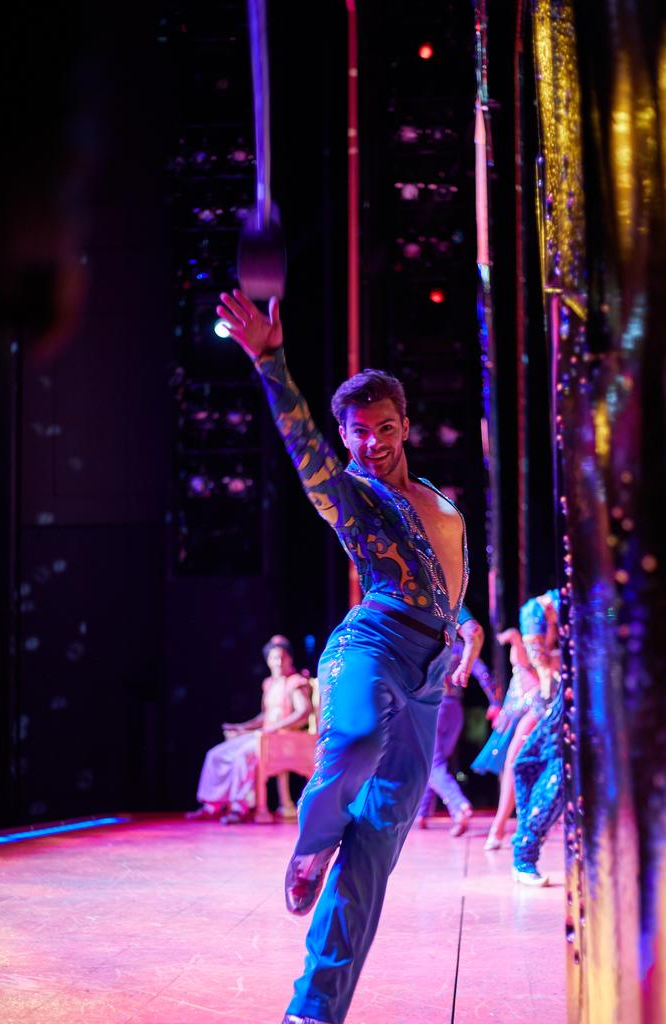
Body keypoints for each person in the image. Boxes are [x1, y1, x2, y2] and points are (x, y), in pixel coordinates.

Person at [216, 289, 476, 1024]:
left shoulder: (432, 496)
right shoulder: (352, 494)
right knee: (355, 738)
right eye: (358, 432)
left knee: (373, 859)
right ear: (346, 434)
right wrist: (271, 360)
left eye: (384, 428)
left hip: (429, 677)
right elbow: (307, 457)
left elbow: (444, 578)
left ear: (403, 425)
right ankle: (310, 844)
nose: (372, 443)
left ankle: (314, 1010)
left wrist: (466, 623)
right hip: (371, 645)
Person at [186, 635, 312, 823]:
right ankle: (211, 806)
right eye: (273, 658)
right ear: (268, 660)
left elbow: (303, 712)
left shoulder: (296, 682)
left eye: (282, 657)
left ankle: (239, 807)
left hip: (283, 738)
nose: (278, 662)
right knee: (216, 754)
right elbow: (264, 716)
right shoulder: (269, 683)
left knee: (242, 756)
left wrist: (275, 728)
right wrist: (242, 727)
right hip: (264, 735)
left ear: (289, 659)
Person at [416, 631, 493, 837]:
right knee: (433, 762)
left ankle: (459, 807)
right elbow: (483, 672)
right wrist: (494, 701)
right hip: (455, 711)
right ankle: (422, 814)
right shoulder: (460, 647)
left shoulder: (429, 644)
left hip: (435, 708)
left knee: (433, 763)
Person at [471, 626, 542, 849]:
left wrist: (511, 636)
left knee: (514, 767)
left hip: (531, 712)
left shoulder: (525, 653)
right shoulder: (527, 656)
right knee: (512, 769)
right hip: (517, 714)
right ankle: (507, 826)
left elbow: (528, 673)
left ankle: (502, 826)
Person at [510, 588, 563, 886]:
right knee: (549, 773)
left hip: (570, 697)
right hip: (552, 703)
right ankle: (523, 852)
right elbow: (542, 669)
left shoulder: (579, 604)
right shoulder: (535, 610)